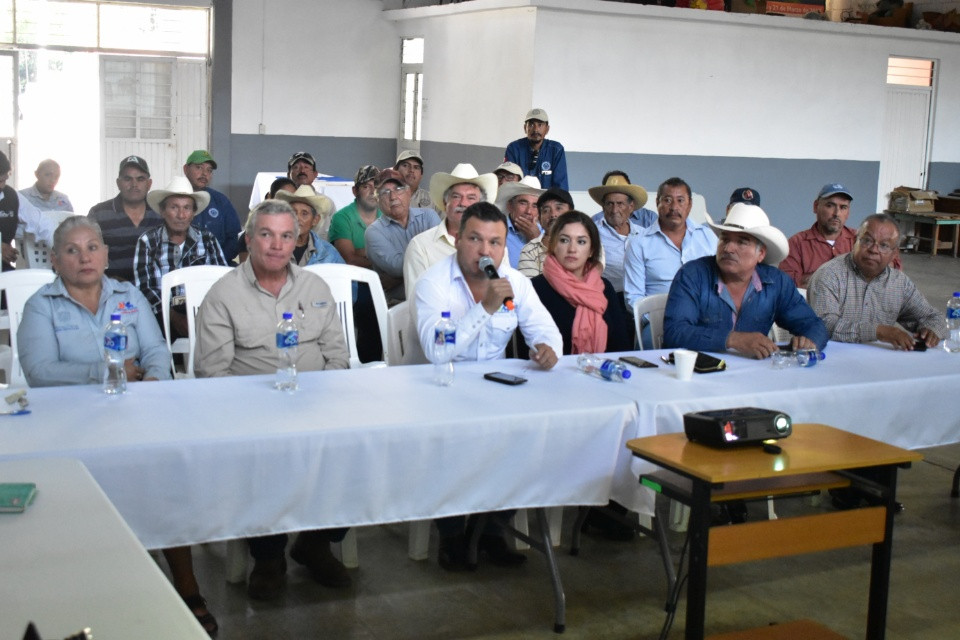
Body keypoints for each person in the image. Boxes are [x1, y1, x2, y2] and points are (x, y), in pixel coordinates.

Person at [17, 216, 217, 636]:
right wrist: (108, 371)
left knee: (165, 474)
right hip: (69, 420)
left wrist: (156, 382)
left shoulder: (127, 295)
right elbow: (39, 371)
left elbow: (156, 350)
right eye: (71, 250)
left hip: (135, 410)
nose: (84, 257)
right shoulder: (41, 305)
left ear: (106, 255)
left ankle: (186, 585)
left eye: (92, 247)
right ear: (55, 259)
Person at [194, 199, 351, 601]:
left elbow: (338, 355)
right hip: (254, 412)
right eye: (266, 234)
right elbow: (212, 374)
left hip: (318, 405)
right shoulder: (223, 294)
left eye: (287, 236)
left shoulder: (315, 288)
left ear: (298, 241)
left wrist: (326, 402)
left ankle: (315, 542)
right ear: (249, 239)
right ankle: (268, 556)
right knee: (265, 458)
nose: (277, 245)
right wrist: (258, 413)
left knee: (357, 450)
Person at [415, 201, 561, 570]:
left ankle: (492, 530)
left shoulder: (516, 283)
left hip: (494, 386)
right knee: (450, 442)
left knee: (528, 436)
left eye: (495, 242)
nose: (485, 251)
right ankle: (452, 536)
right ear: (458, 240)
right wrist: (485, 309)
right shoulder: (434, 282)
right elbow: (437, 352)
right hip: (443, 388)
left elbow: (546, 331)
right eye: (476, 239)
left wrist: (547, 349)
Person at [663, 203, 828, 358]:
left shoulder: (776, 283)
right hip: (697, 374)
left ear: (761, 254)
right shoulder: (692, 275)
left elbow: (814, 325)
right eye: (725, 239)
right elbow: (675, 333)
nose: (728, 248)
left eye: (742, 242)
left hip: (753, 378)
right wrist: (733, 339)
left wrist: (810, 340)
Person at [808, 213, 945, 349]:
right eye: (867, 241)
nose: (873, 250)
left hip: (878, 362)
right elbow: (824, 326)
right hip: (832, 359)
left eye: (884, 245)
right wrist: (878, 332)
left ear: (894, 254)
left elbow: (933, 317)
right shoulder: (829, 275)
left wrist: (932, 331)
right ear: (855, 241)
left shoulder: (899, 283)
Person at [134, 177, 228, 335]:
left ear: (193, 214)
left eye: (187, 208)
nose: (181, 215)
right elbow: (146, 288)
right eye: (174, 207)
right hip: (161, 315)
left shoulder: (207, 239)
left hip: (204, 313)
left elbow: (223, 281)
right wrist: (174, 317)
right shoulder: (148, 241)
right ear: (163, 211)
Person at [527, 211, 630, 354]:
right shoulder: (534, 288)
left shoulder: (604, 287)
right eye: (564, 240)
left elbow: (622, 345)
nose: (572, 249)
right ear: (553, 245)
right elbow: (526, 348)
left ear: (591, 250)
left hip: (603, 370)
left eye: (581, 242)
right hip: (552, 373)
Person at [403, 163, 497, 300]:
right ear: (445, 203)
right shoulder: (421, 246)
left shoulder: (496, 246)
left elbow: (501, 299)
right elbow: (417, 304)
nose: (463, 203)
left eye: (471, 198)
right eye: (456, 196)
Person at [780, 183, 901, 288]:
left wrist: (813, 278)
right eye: (830, 205)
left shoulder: (862, 239)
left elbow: (892, 271)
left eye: (843, 207)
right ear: (816, 206)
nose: (836, 213)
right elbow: (788, 285)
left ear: (848, 212)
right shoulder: (796, 243)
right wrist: (856, 276)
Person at [623, 177, 718, 311]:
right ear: (657, 203)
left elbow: (721, 285)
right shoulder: (639, 243)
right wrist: (654, 320)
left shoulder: (708, 237)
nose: (674, 207)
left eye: (680, 200)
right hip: (658, 321)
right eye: (667, 200)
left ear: (690, 204)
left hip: (704, 317)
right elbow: (633, 298)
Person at [364, 168, 440, 301]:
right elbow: (397, 267)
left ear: (409, 192)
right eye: (385, 192)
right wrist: (430, 258)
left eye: (398, 189)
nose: (393, 197)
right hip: (398, 305)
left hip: (436, 297)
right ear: (377, 200)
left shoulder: (429, 216)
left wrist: (396, 279)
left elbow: (443, 255)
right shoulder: (373, 232)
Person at [89, 155, 162, 282]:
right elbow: (89, 254)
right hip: (112, 291)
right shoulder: (99, 214)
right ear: (118, 183)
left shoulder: (160, 213)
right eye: (127, 179)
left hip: (153, 289)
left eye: (140, 179)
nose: (134, 184)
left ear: (149, 184)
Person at [182, 150, 243, 263]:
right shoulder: (173, 200)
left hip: (217, 266)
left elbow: (235, 237)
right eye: (199, 167)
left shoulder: (221, 201)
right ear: (185, 169)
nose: (204, 173)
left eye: (209, 170)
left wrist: (217, 260)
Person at [0, 151, 57, 270]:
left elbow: (41, 223)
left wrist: (65, 247)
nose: (2, 186)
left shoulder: (11, 196)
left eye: (4, 180)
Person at [275, 186, 344, 267]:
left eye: (304, 213)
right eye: (293, 212)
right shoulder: (271, 245)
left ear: (315, 220)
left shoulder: (328, 253)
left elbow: (343, 276)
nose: (297, 218)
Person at [328, 165, 381, 268]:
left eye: (376, 186)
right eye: (366, 186)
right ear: (355, 191)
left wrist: (361, 252)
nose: (372, 192)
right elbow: (349, 260)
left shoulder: (387, 215)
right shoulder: (341, 217)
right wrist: (383, 260)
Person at [504, 108, 569, 190]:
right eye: (531, 125)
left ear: (547, 129)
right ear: (525, 128)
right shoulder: (514, 149)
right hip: (521, 200)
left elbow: (561, 188)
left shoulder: (556, 150)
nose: (535, 129)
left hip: (546, 201)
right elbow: (509, 185)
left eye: (540, 125)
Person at [517, 187, 574, 277]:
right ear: (539, 218)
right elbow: (531, 288)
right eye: (546, 210)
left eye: (558, 208)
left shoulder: (586, 243)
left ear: (572, 214)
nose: (553, 214)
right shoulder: (529, 251)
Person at [238, 177, 296, 264]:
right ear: (270, 197)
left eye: (292, 199)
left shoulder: (299, 232)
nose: (287, 204)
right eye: (283, 198)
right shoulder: (252, 234)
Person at [495, 175, 544, 269]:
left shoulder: (545, 233)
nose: (528, 211)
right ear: (510, 206)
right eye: (523, 203)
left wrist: (536, 239)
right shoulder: (497, 230)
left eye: (534, 206)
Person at [590, 170, 657, 229]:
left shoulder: (650, 217)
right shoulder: (595, 220)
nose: (615, 210)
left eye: (620, 203)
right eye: (610, 203)